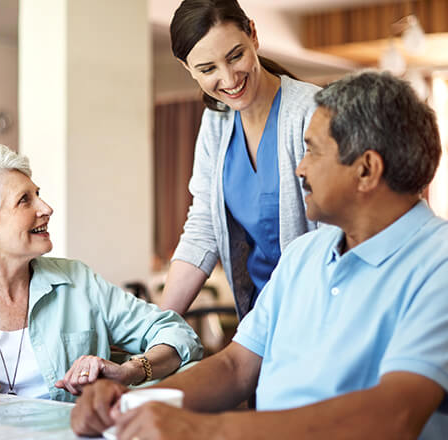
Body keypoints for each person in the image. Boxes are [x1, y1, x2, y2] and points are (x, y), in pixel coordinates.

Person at [71, 71, 448, 439]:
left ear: (366, 170)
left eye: (312, 151)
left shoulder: (438, 263)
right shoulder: (304, 254)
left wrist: (207, 430)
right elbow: (236, 366)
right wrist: (130, 404)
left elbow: (395, 416)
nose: (300, 167)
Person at [0, 143, 202, 401]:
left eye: (38, 195)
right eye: (24, 201)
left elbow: (178, 335)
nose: (46, 209)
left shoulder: (79, 282)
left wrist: (130, 371)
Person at [160, 0, 318, 320]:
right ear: (187, 68)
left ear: (253, 36)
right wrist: (158, 323)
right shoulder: (216, 123)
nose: (229, 79)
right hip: (258, 318)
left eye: (236, 56)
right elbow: (203, 227)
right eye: (208, 69)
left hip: (314, 311)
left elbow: (342, 234)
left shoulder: (313, 112)